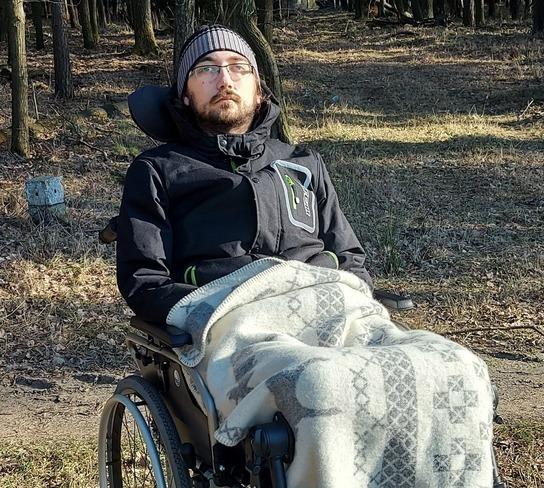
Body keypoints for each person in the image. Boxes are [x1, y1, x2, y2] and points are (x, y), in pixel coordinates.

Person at [117, 25, 372, 325]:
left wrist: (359, 304)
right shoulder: (158, 170)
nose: (225, 80)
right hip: (228, 321)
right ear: (185, 94)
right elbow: (146, 282)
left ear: (259, 91)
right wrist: (212, 316)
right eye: (206, 69)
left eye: (238, 67)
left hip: (326, 308)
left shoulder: (304, 163)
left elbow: (349, 258)